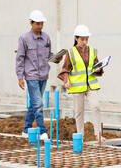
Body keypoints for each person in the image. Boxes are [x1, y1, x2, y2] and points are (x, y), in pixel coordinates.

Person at [16, 10, 62, 140]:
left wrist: (56, 58)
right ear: (31, 23)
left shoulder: (46, 37)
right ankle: (43, 131)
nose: (40, 26)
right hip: (31, 76)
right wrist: (20, 77)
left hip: (43, 75)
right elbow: (20, 58)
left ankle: (26, 129)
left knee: (34, 104)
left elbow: (49, 55)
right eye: (37, 24)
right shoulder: (24, 39)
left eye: (42, 23)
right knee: (38, 104)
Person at [58, 25, 105, 141]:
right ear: (76, 38)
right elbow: (65, 69)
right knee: (79, 112)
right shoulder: (71, 53)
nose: (84, 42)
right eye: (82, 39)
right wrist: (66, 80)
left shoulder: (92, 51)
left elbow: (96, 66)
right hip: (77, 87)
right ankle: (80, 136)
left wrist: (98, 69)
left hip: (91, 85)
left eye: (86, 39)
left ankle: (98, 134)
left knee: (96, 106)